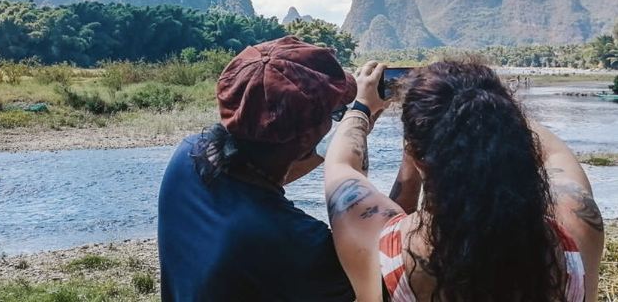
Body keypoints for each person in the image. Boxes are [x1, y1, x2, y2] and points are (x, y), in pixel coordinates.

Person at [324, 59, 604, 301]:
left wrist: (362, 107)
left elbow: (342, 164)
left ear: (416, 153)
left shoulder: (381, 250)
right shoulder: (578, 228)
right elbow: (555, 152)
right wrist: (482, 103)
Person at [158, 36, 358, 301]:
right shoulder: (290, 240)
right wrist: (407, 159)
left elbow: (264, 176)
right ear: (308, 138)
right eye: (335, 114)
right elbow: (379, 273)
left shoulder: (189, 156)